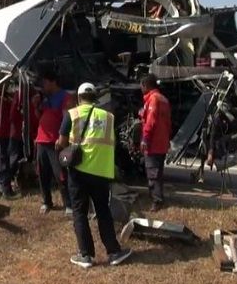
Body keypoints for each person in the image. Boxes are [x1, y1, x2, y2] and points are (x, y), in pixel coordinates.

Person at [57, 83, 132, 268]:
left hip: (78, 172)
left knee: (80, 212)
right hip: (101, 172)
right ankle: (114, 252)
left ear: (79, 97)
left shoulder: (72, 114)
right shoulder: (108, 117)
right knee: (103, 211)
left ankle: (85, 256)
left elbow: (61, 142)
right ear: (95, 97)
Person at [33, 70, 73, 215]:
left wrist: (62, 138)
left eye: (44, 83)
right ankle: (46, 201)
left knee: (60, 174)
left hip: (55, 142)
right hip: (41, 141)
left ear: (52, 82)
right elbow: (40, 116)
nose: (42, 86)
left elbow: (66, 120)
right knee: (42, 173)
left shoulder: (65, 97)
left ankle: (68, 204)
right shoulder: (44, 98)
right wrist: (36, 106)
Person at [139, 73, 172, 212]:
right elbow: (168, 123)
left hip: (153, 143)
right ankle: (158, 197)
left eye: (141, 86)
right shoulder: (163, 99)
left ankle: (156, 201)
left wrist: (145, 139)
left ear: (146, 85)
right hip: (162, 142)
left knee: (152, 173)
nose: (141, 88)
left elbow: (151, 122)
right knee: (158, 172)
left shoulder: (153, 100)